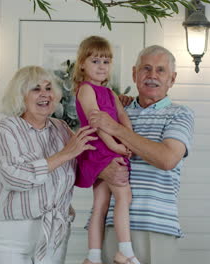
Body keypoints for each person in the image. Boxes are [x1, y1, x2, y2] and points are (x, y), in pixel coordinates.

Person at [0, 65, 98, 264]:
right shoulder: (7, 128)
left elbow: (85, 167)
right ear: (21, 96)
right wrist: (64, 154)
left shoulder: (60, 127)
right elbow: (14, 177)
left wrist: (117, 107)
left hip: (54, 233)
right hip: (10, 235)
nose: (45, 94)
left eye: (49, 88)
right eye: (36, 89)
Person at [89, 45, 195, 264]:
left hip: (156, 227)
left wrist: (117, 129)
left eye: (160, 70)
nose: (152, 76)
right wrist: (103, 170)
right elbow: (89, 159)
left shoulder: (180, 114)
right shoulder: (117, 110)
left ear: (172, 79)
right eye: (146, 69)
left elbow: (166, 159)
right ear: (134, 74)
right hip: (112, 228)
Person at [73, 36, 140, 264]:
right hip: (101, 149)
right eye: (95, 61)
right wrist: (114, 145)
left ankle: (92, 257)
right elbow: (95, 121)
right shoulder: (85, 90)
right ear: (82, 63)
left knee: (100, 204)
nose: (102, 66)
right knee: (124, 195)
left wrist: (128, 141)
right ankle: (125, 251)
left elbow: (123, 118)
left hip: (114, 147)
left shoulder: (110, 93)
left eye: (106, 61)